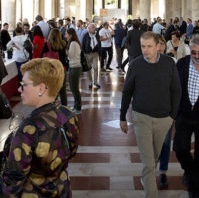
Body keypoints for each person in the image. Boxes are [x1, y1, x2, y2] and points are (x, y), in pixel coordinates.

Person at [0, 58, 79, 197]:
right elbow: (71, 152)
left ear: (41, 89)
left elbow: (12, 182)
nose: (19, 89)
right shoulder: (68, 114)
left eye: (23, 84)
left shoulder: (28, 130)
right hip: (62, 189)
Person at [120, 31, 181, 198]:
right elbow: (127, 92)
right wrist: (122, 117)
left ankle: (146, 177)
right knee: (148, 161)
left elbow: (176, 90)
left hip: (164, 119)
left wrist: (172, 117)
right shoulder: (135, 64)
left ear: (158, 46)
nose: (145, 50)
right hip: (141, 117)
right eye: (143, 46)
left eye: (149, 46)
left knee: (153, 157)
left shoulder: (169, 63)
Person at [173, 36, 199, 198]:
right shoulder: (182, 64)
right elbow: (174, 88)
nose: (197, 56)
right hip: (184, 113)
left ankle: (195, 188)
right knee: (180, 148)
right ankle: (190, 171)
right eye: (194, 52)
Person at [156, 34, 176, 188]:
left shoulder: (171, 62)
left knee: (165, 143)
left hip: (166, 111)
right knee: (150, 145)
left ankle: (162, 172)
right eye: (158, 44)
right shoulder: (143, 63)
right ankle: (149, 171)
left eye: (162, 44)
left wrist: (173, 112)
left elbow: (176, 89)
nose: (160, 47)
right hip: (147, 111)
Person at [41, 28, 68, 106]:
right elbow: (64, 58)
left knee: (52, 89)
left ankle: (52, 107)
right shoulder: (63, 44)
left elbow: (41, 57)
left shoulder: (47, 44)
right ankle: (64, 108)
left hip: (51, 70)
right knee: (62, 91)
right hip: (61, 69)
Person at [65, 28, 82, 114]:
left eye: (66, 34)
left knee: (74, 88)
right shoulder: (75, 43)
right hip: (75, 66)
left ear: (71, 35)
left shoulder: (73, 43)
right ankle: (76, 106)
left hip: (74, 67)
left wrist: (66, 51)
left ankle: (78, 108)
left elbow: (70, 55)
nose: (65, 36)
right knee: (73, 87)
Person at [82, 23, 101, 89]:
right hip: (88, 54)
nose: (94, 28)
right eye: (92, 27)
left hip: (95, 53)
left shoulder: (97, 35)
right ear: (89, 29)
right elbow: (83, 44)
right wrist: (83, 54)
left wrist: (100, 54)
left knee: (95, 67)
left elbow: (99, 44)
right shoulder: (86, 36)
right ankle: (90, 81)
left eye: (94, 27)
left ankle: (95, 82)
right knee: (88, 68)